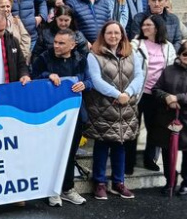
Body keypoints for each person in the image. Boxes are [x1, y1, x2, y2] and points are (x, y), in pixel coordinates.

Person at [83, 21, 144, 200]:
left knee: (120, 145)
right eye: (109, 33)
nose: (113, 36)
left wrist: (128, 93)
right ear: (103, 35)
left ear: (122, 35)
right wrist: (117, 94)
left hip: (125, 107)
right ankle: (99, 183)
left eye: (117, 33)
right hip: (103, 107)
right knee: (101, 145)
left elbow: (139, 76)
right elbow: (95, 80)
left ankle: (119, 182)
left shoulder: (131, 54)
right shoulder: (94, 55)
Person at [30, 29, 91, 207]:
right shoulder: (44, 58)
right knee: (51, 152)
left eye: (61, 43)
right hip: (50, 115)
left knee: (70, 153)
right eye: (55, 42)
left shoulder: (80, 59)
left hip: (74, 115)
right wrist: (47, 76)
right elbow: (32, 78)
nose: (56, 46)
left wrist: (84, 85)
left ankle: (67, 188)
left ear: (72, 45)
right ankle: (51, 190)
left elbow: (90, 81)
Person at [149, 40, 187, 195]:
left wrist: (178, 98)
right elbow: (156, 90)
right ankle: (170, 180)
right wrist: (167, 98)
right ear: (179, 54)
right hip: (168, 118)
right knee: (167, 151)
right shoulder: (169, 70)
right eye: (185, 54)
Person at [125, 14, 176, 175]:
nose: (144, 28)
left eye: (149, 25)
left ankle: (149, 159)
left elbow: (172, 69)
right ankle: (129, 163)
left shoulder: (168, 47)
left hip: (158, 94)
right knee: (133, 128)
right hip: (139, 93)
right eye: (144, 25)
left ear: (157, 27)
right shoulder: (136, 44)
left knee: (154, 129)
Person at [0, 0, 31, 64]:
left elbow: (26, 39)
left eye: (8, 6)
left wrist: (20, 57)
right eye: (2, 7)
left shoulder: (16, 21)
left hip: (19, 60)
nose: (5, 9)